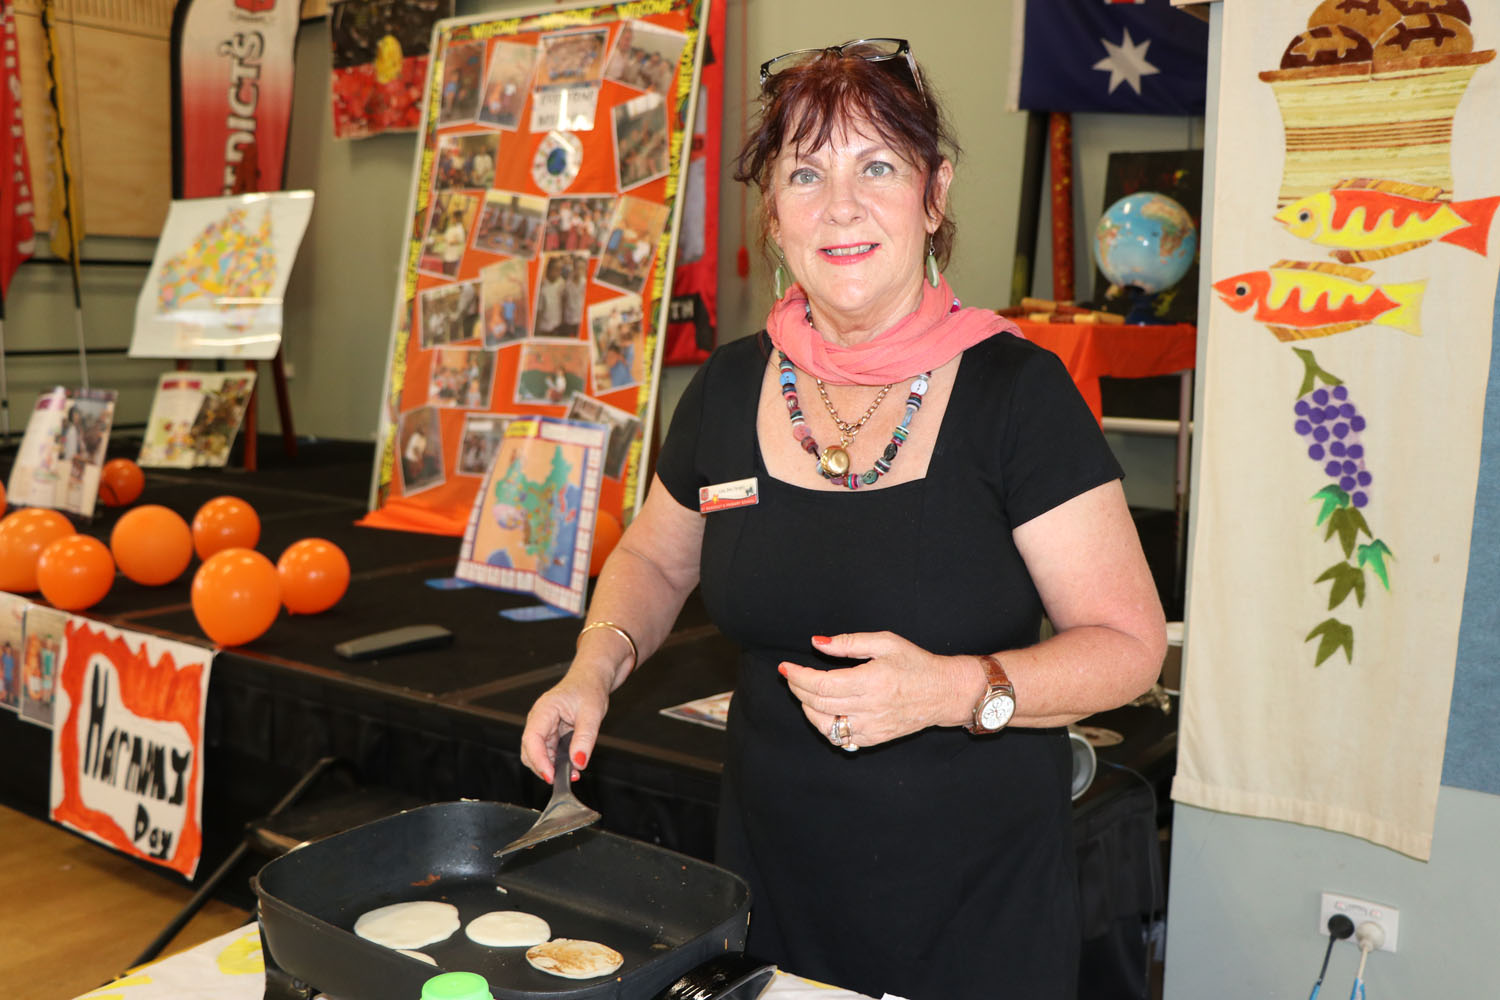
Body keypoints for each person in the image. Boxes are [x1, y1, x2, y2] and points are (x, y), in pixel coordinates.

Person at [520, 38, 1165, 1000]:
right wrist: (592, 668)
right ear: (774, 216)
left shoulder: (1018, 396)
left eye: (878, 167)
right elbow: (654, 562)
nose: (841, 205)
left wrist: (951, 690)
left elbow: (1127, 647)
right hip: (771, 881)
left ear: (933, 194)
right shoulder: (729, 387)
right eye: (805, 173)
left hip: (973, 905)